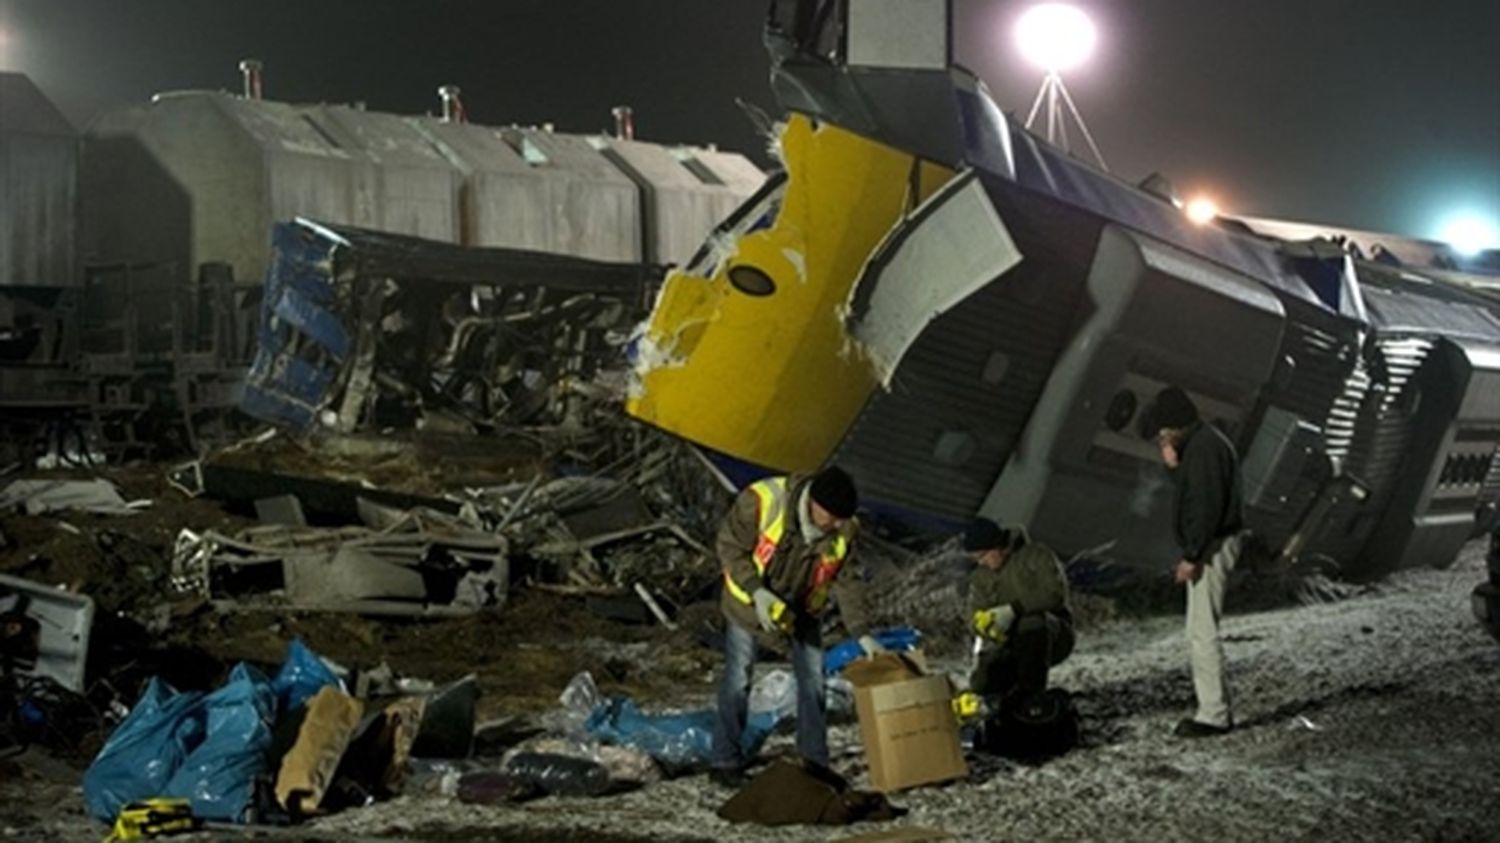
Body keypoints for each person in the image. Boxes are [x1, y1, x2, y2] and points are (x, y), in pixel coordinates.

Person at [710, 466, 881, 786]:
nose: (839, 525)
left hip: (802, 611)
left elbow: (847, 582)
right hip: (747, 607)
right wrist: (756, 590)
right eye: (833, 517)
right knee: (738, 680)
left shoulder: (844, 528)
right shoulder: (761, 502)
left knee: (813, 683)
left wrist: (863, 633)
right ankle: (724, 760)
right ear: (813, 504)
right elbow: (729, 548)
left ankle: (815, 761)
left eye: (843, 519)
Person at [1150, 385, 1247, 738]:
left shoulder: (1204, 449)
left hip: (1212, 546)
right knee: (1199, 630)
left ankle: (1214, 714)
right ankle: (1214, 708)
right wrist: (1175, 467)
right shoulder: (1207, 443)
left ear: (1175, 426)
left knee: (1203, 631)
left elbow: (1204, 506)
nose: (1162, 437)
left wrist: (1192, 555)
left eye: (1163, 431)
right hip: (1216, 542)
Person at [963, 518, 1074, 707]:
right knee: (985, 682)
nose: (982, 563)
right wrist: (983, 625)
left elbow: (1054, 594)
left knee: (1031, 622)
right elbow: (973, 613)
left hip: (1051, 634)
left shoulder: (1035, 556)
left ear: (997, 546)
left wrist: (1014, 609)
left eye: (983, 556)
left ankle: (1032, 696)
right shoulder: (980, 576)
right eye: (976, 559)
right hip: (1008, 640)